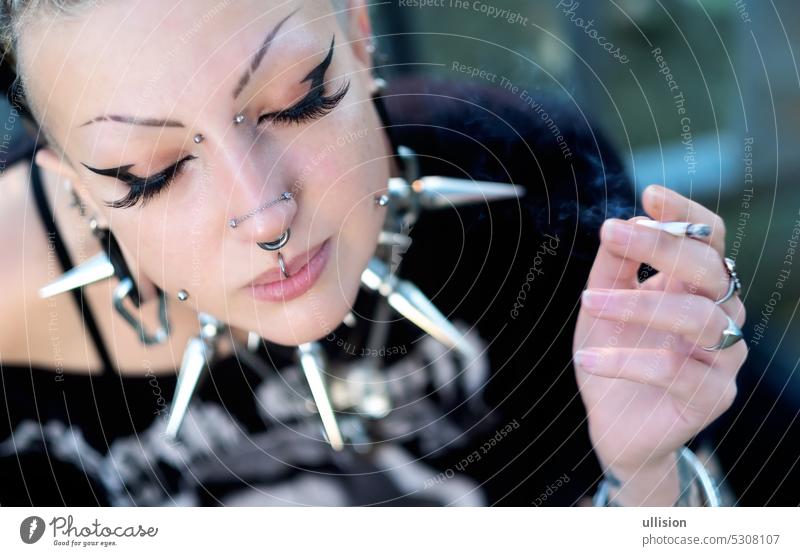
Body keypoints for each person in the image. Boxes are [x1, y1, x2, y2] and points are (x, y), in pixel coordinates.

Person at [0, 0, 746, 506]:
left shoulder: (531, 197)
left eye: (297, 100)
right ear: (77, 185)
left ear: (359, 39)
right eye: (150, 173)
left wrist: (646, 472)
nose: (265, 217)